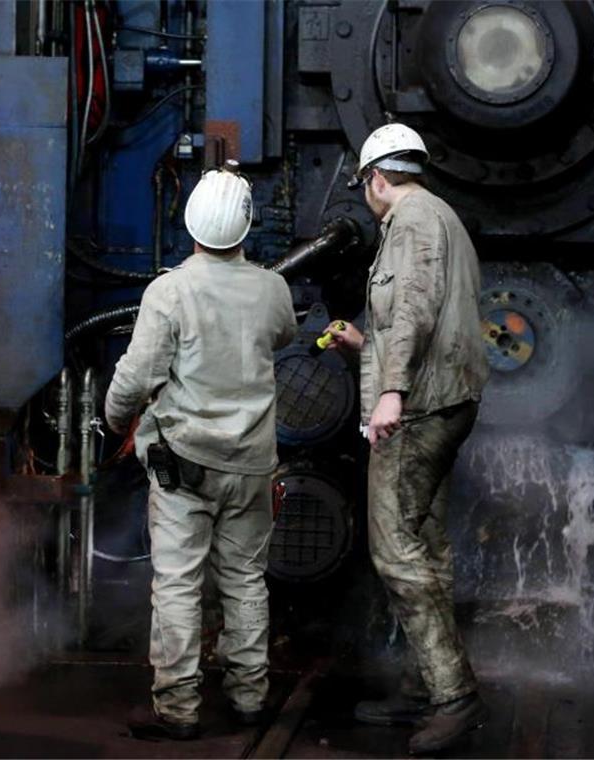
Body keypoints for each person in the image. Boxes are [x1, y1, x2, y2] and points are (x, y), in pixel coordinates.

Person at [105, 161, 297, 741]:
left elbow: (135, 378)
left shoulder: (169, 291)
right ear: (244, 229)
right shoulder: (273, 288)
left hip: (183, 466)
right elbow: (284, 335)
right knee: (245, 580)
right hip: (252, 466)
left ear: (191, 227)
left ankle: (179, 710)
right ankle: (249, 699)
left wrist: (114, 421)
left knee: (180, 585)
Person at [324, 123, 491, 755]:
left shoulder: (414, 221)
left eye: (363, 182)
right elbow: (425, 321)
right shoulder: (438, 216)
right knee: (425, 545)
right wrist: (366, 350)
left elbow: (418, 305)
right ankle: (427, 685)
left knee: (395, 549)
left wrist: (390, 391)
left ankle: (453, 697)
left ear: (375, 177)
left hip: (421, 406)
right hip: (445, 397)